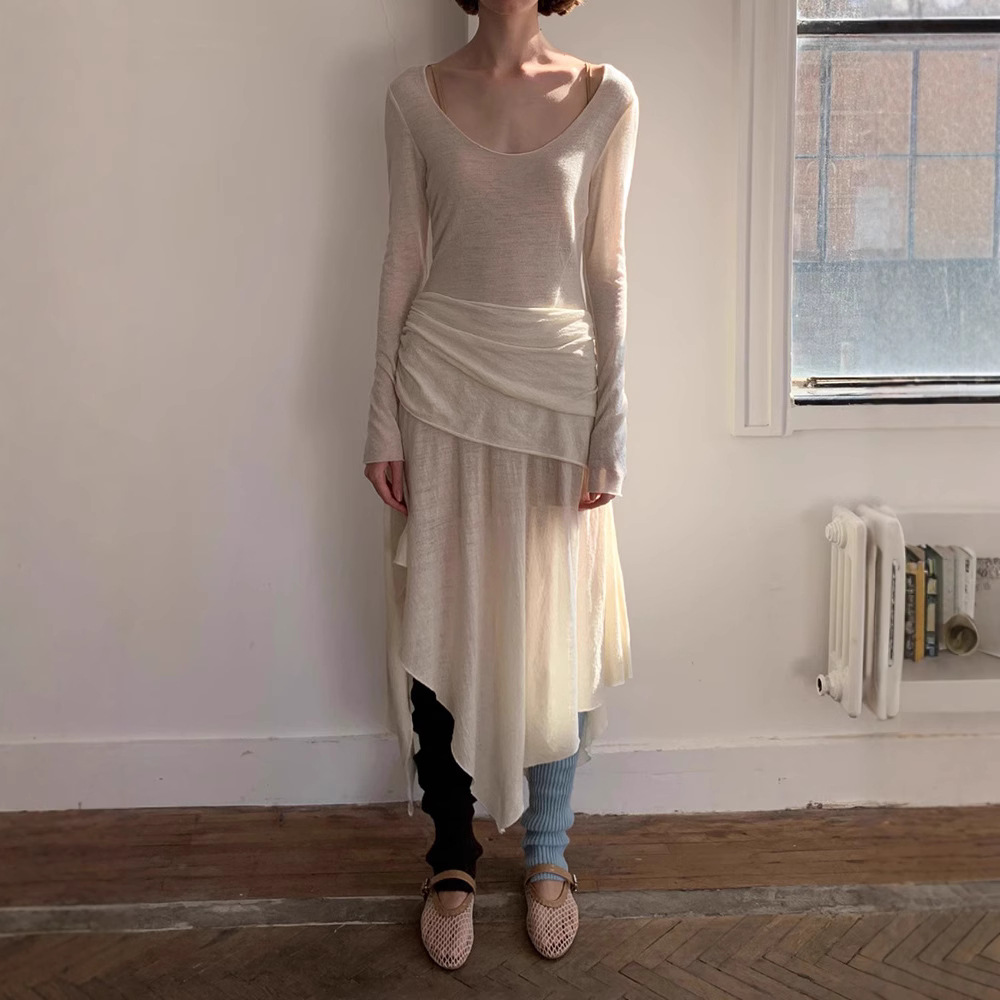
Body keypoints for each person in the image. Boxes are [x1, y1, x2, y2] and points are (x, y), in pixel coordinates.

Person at [361, 0, 638, 969]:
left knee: (557, 622)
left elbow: (607, 268)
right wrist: (381, 414)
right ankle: (451, 855)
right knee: (443, 607)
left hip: (556, 392)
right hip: (439, 383)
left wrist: (611, 424)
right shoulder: (413, 96)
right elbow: (403, 254)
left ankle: (550, 851)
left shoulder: (607, 96)